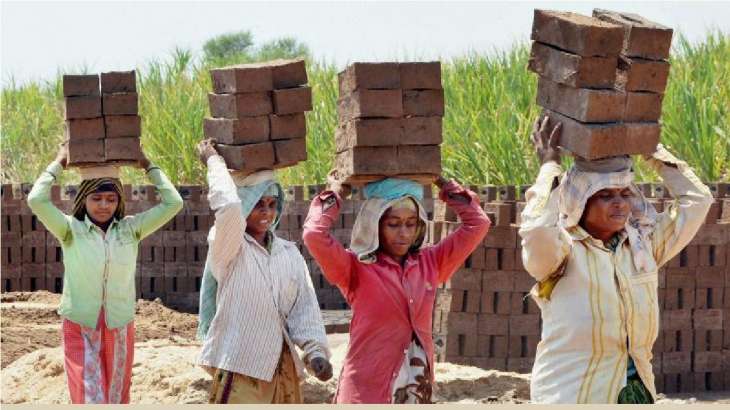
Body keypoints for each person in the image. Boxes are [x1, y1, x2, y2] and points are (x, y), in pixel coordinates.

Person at [520, 116, 713, 403]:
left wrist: (650, 148)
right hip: (573, 395)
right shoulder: (561, 253)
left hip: (636, 392)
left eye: (624, 193)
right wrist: (550, 165)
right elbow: (537, 228)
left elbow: (698, 201)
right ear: (581, 201)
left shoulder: (642, 246)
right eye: (605, 195)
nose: (620, 203)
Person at [302, 171, 491, 403]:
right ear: (374, 224)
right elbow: (314, 234)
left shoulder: (430, 263)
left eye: (411, 224)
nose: (404, 233)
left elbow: (478, 223)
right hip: (367, 391)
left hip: (417, 391)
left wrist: (441, 182)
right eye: (393, 224)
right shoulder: (355, 267)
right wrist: (336, 192)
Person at [26, 142, 184, 404]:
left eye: (111, 199)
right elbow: (36, 199)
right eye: (96, 198)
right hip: (80, 324)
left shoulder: (130, 230)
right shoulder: (70, 230)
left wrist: (147, 164)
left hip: (119, 325)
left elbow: (174, 203)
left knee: (116, 395)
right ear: (83, 199)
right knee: (89, 397)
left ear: (119, 202)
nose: (103, 205)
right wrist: (59, 162)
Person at [195, 139, 332, 404]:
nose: (267, 212)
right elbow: (229, 208)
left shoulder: (289, 253)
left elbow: (304, 308)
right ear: (245, 203)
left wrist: (316, 353)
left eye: (272, 204)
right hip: (241, 366)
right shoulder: (229, 247)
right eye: (259, 204)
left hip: (282, 370)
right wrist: (214, 161)